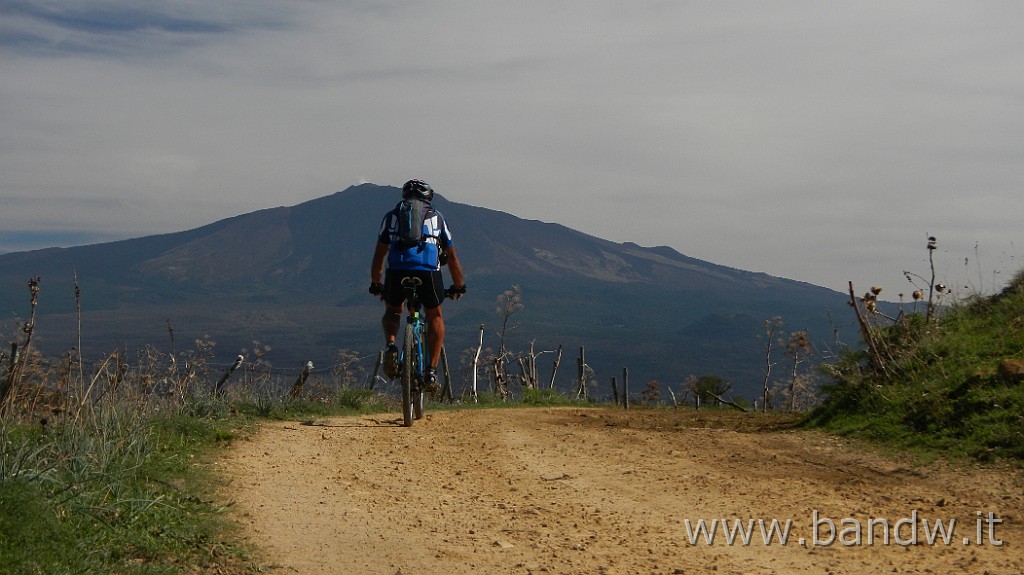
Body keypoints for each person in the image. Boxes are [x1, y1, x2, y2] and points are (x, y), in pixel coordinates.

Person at [369, 179, 465, 392]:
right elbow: (452, 256)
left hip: (397, 271)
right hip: (429, 272)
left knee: (393, 311)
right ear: (428, 198)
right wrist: (458, 285)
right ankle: (431, 371)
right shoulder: (437, 217)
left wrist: (377, 283)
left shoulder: (392, 216)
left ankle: (392, 345)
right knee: (435, 316)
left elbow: (379, 254)